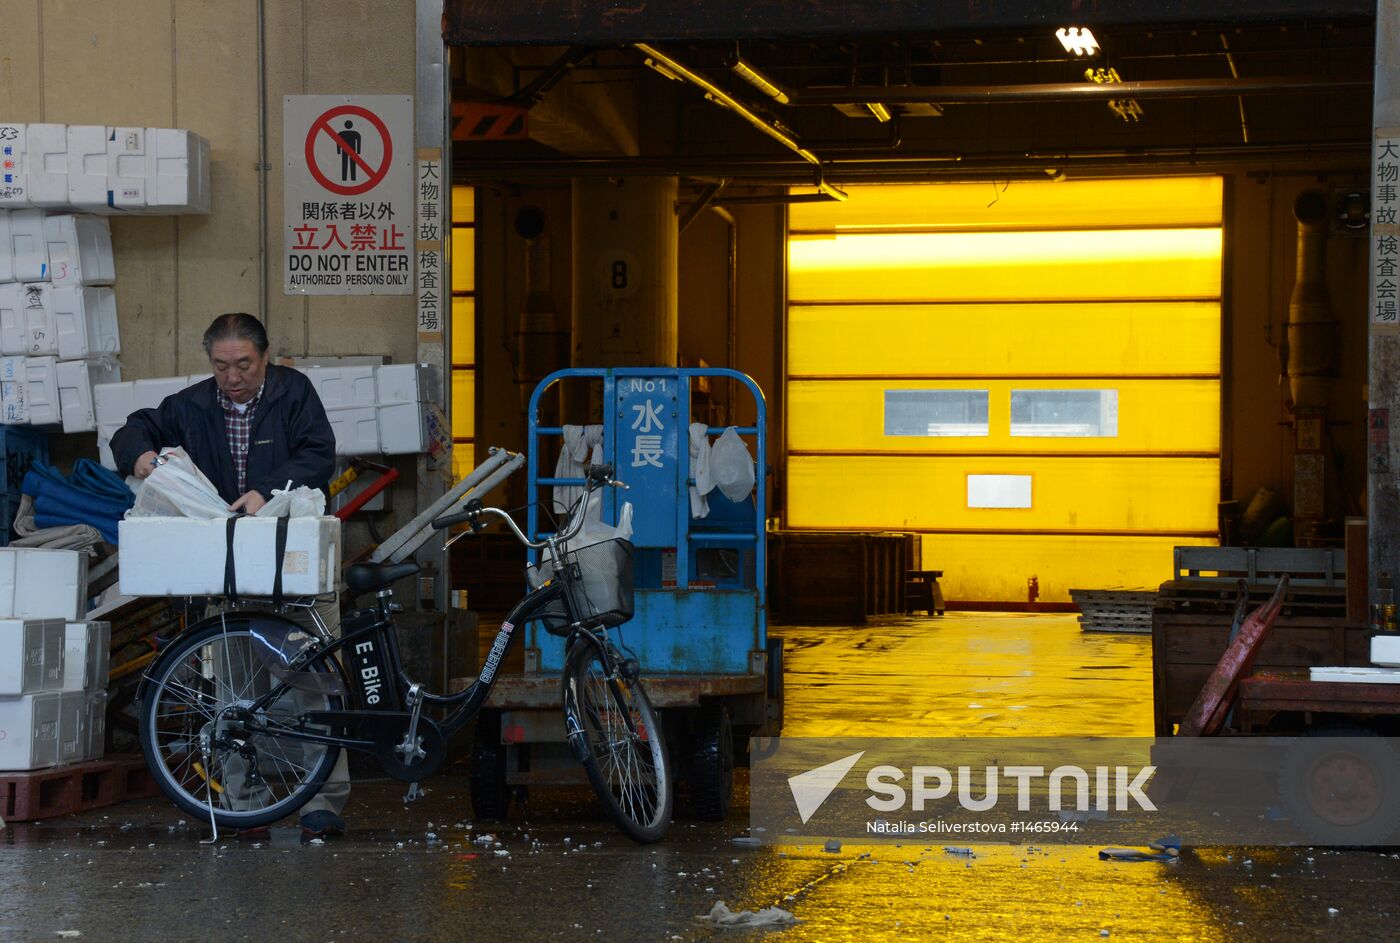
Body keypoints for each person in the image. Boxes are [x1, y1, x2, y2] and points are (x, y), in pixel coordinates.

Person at [111, 312, 350, 838]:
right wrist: (140, 456)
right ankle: (244, 802)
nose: (233, 377)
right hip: (231, 571)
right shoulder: (192, 405)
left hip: (293, 567)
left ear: (265, 358)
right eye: (221, 366)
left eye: (244, 364)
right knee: (235, 692)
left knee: (315, 684)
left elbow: (318, 456)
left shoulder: (294, 393)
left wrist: (268, 490)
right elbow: (135, 427)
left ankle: (323, 802)